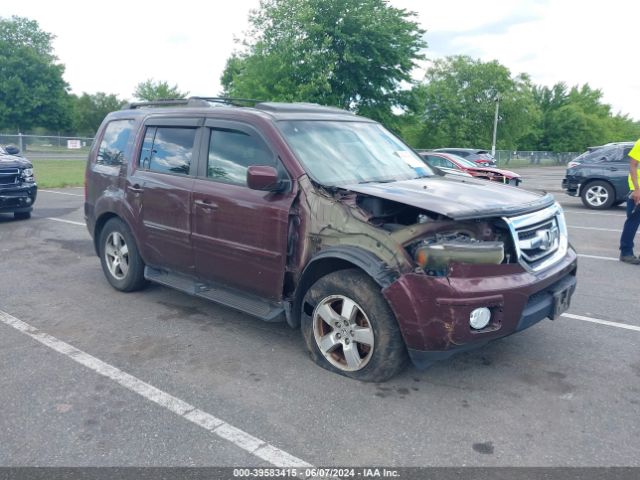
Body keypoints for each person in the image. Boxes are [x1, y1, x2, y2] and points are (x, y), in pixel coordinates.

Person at [619, 138, 640, 264]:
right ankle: (626, 252)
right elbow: (633, 165)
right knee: (633, 221)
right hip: (638, 190)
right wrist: (637, 189)